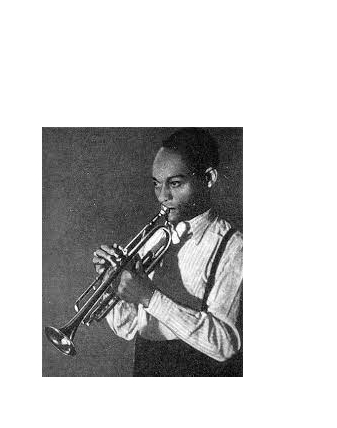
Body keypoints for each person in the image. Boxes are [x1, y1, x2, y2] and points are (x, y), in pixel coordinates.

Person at [93, 128, 242, 377]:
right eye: (157, 184)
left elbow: (225, 343)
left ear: (208, 178)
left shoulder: (235, 247)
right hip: (146, 364)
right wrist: (112, 284)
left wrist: (149, 297)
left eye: (175, 184)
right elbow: (128, 327)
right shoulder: (154, 237)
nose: (163, 196)